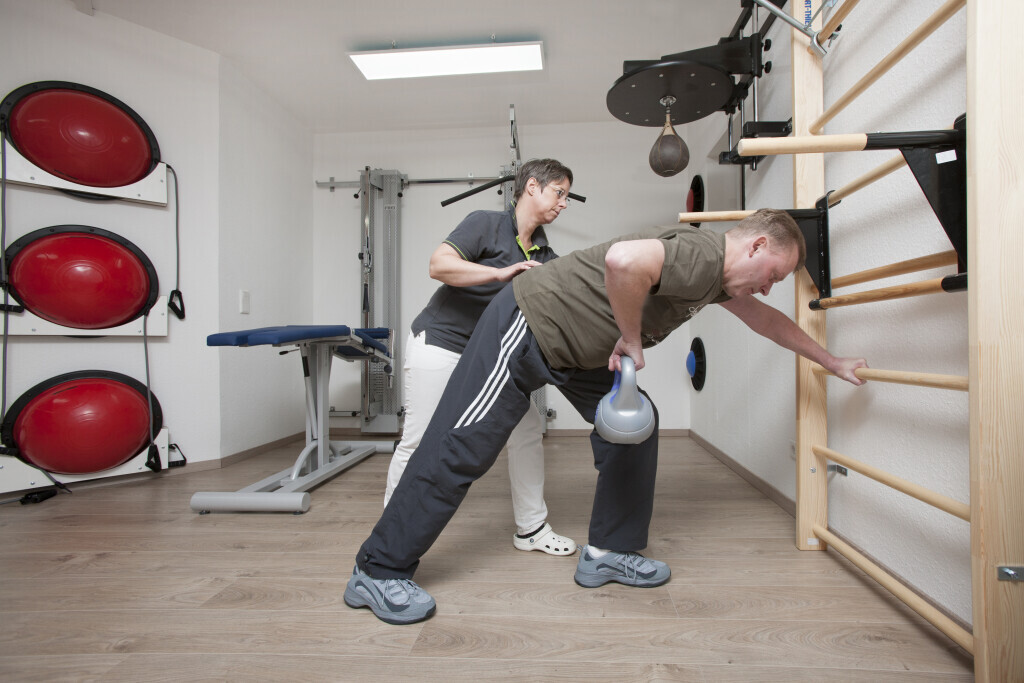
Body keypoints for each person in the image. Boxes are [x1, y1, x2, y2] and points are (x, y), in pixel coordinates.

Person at [345, 208, 868, 625]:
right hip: (528, 326)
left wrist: (832, 362)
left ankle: (608, 553)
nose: (768, 286)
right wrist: (634, 339)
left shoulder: (716, 280)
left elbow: (769, 322)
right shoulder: (703, 255)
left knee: (636, 429)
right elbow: (622, 261)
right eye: (772, 273)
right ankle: (378, 568)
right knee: (461, 446)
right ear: (755, 246)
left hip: (576, 354)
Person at [383, 158, 577, 559]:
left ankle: (532, 528)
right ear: (532, 188)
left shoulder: (546, 254)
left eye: (568, 196)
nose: (564, 203)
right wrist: (499, 274)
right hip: (440, 342)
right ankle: (390, 531)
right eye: (560, 192)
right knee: (418, 439)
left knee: (527, 428)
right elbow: (439, 265)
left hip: (489, 357)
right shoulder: (485, 223)